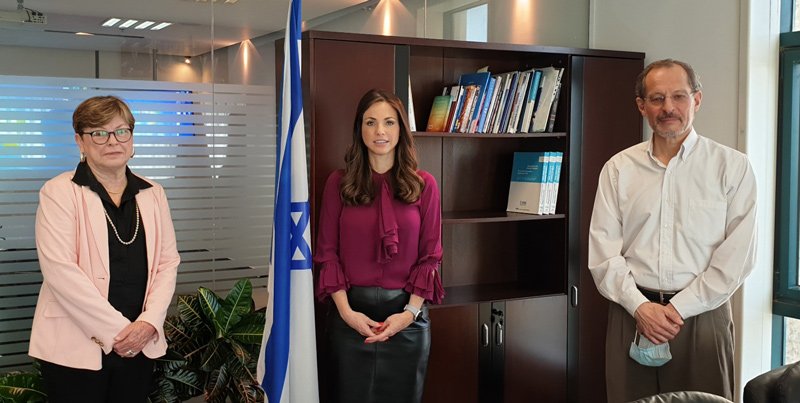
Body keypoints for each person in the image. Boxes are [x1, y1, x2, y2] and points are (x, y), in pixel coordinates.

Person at [588, 59, 757, 402]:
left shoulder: (733, 167)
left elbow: (736, 259)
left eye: (679, 96)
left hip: (701, 320)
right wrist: (640, 307)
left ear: (696, 100)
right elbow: (603, 253)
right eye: (657, 98)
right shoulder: (618, 169)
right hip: (631, 312)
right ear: (642, 106)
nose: (668, 108)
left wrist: (677, 309)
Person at [29, 95, 180, 403]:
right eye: (99, 133)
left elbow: (167, 263)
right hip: (75, 345)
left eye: (121, 131)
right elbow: (60, 272)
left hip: (139, 342)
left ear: (131, 137)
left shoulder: (153, 193)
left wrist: (148, 322)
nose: (112, 141)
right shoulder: (59, 192)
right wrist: (120, 332)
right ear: (80, 141)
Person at [314, 88, 444, 403]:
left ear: (401, 129)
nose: (380, 131)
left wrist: (408, 314)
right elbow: (327, 253)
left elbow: (431, 257)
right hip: (349, 321)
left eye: (389, 122)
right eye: (371, 122)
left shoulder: (425, 185)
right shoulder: (338, 183)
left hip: (407, 322)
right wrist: (347, 314)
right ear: (360, 129)